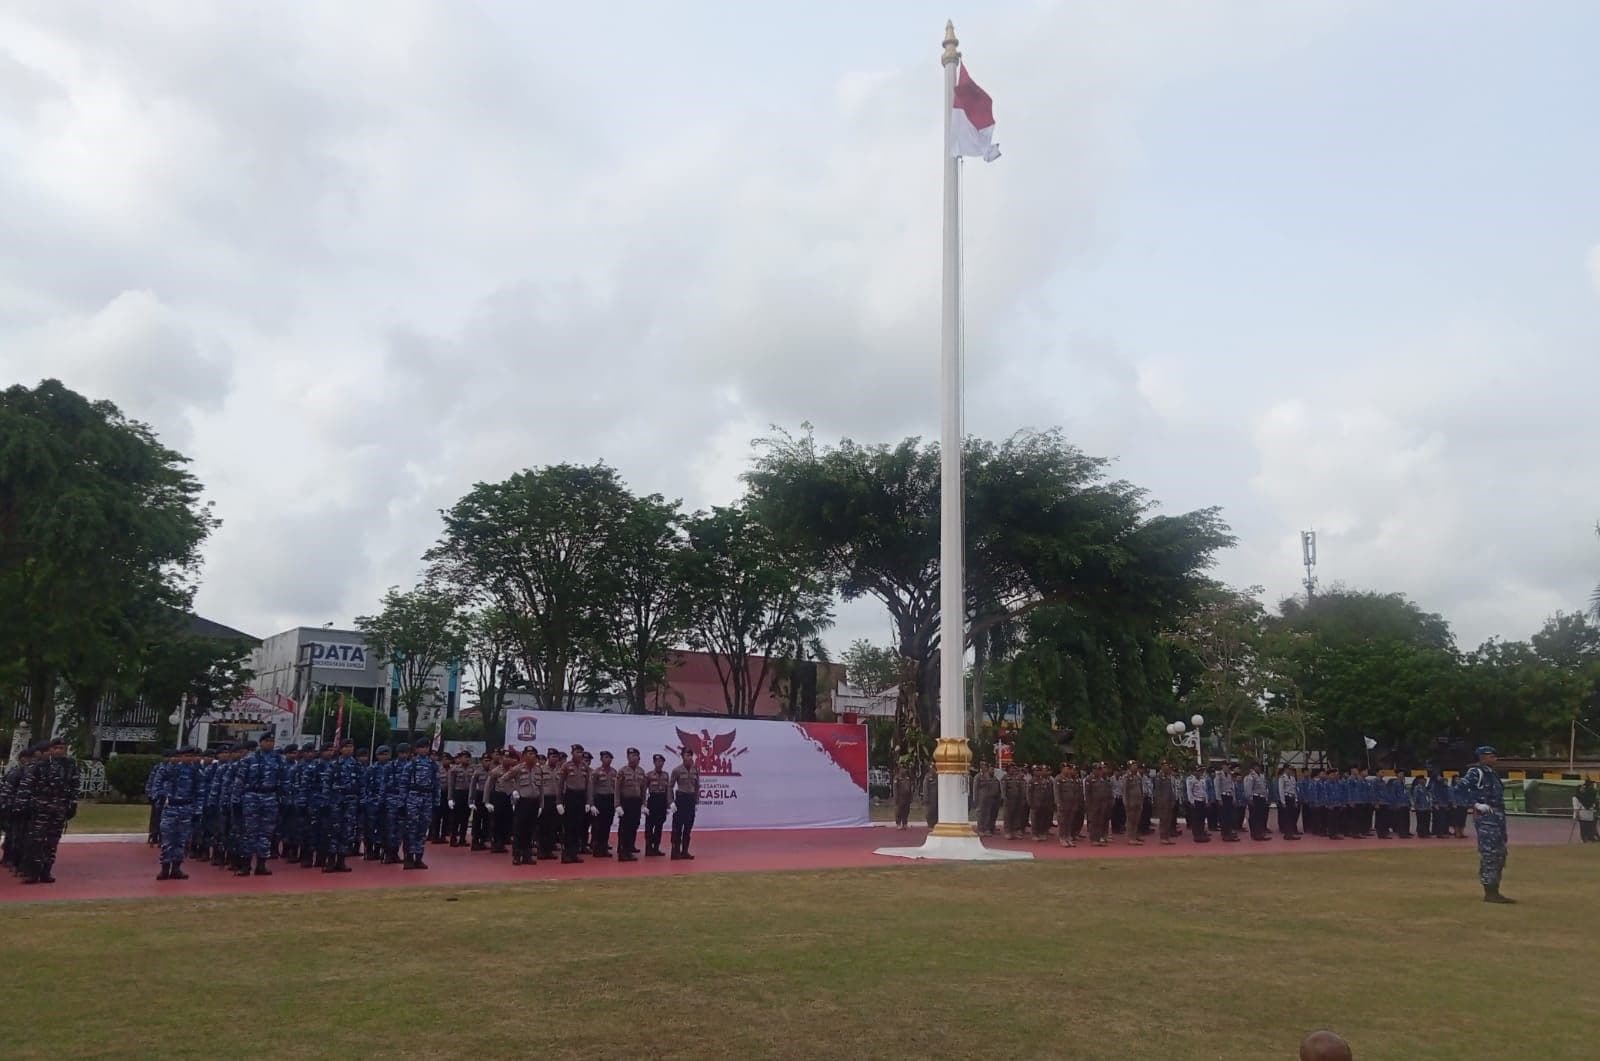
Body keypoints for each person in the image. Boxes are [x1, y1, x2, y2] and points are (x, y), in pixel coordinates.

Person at [18, 737, 79, 885]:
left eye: (62, 748)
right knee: (36, 840)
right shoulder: (40, 766)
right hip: (40, 809)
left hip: (59, 809)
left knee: (52, 842)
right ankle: (32, 873)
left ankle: (46, 871)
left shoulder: (70, 766)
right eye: (56, 748)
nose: (59, 751)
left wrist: (72, 805)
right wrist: (23, 805)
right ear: (51, 750)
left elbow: (75, 786)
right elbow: (28, 786)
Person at [1457, 745, 1513, 903]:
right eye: (1491, 755)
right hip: (1486, 816)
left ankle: (1495, 889)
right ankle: (1490, 891)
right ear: (1482, 757)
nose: (1494, 758)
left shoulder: (1492, 773)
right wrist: (1475, 804)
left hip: (1497, 816)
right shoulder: (1476, 772)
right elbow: (1459, 788)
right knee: (1490, 853)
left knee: (1500, 853)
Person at [156, 747, 204, 880]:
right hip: (171, 807)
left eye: (191, 756)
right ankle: (165, 868)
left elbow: (200, 792)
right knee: (167, 839)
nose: (189, 758)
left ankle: (176, 868)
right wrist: (159, 797)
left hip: (186, 807)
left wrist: (198, 810)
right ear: (181, 756)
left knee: (181, 840)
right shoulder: (171, 768)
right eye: (187, 755)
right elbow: (158, 782)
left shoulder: (196, 771)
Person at [322, 739, 360, 873]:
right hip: (336, 801)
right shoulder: (334, 765)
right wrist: (326, 802)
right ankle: (331, 861)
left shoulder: (357, 765)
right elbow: (326, 785)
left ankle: (341, 861)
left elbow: (361, 785)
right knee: (334, 831)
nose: (349, 749)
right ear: (341, 749)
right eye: (346, 747)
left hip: (351, 802)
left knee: (347, 831)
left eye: (351, 746)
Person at [401, 737, 439, 869]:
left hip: (427, 798)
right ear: (417, 749)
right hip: (413, 798)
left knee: (422, 830)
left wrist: (436, 801)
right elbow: (404, 784)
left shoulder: (433, 765)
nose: (424, 750)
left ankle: (419, 857)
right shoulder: (411, 764)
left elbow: (436, 784)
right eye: (421, 747)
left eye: (426, 747)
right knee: (411, 829)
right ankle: (408, 857)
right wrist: (403, 802)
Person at [509, 745, 543, 866]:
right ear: (523, 756)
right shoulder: (517, 769)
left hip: (534, 802)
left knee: (530, 831)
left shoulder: (539, 770)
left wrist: (541, 805)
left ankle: (527, 855)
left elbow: (541, 788)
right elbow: (503, 780)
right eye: (529, 754)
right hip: (522, 802)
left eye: (534, 754)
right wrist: (513, 792)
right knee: (519, 830)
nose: (532, 756)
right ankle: (517, 856)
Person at [559, 744, 593, 864]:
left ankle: (574, 853)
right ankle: (566, 854)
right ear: (572, 753)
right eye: (577, 752)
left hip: (581, 797)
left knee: (578, 827)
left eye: (581, 752)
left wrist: (589, 802)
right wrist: (559, 802)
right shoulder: (566, 766)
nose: (579, 755)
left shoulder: (585, 767)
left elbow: (589, 785)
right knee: (568, 827)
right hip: (570, 796)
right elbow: (560, 785)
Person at [616, 748, 648, 861]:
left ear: (638, 758)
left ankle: (629, 850)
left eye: (635, 755)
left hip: (636, 802)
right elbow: (617, 790)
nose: (633, 758)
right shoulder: (622, 771)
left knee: (634, 826)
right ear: (627, 757)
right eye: (630, 755)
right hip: (626, 802)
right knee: (625, 827)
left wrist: (644, 804)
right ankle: (622, 852)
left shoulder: (641, 771)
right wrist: (618, 805)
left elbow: (643, 789)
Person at [670, 747, 701, 859]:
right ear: (682, 756)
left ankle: (685, 851)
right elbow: (670, 786)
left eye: (690, 755)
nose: (688, 757)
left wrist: (696, 801)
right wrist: (671, 802)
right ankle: (675, 851)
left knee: (688, 827)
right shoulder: (677, 770)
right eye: (686, 755)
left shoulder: (695, 770)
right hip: (681, 799)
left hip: (690, 800)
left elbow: (697, 786)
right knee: (677, 827)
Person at [363, 745, 391, 860]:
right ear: (377, 755)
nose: (384, 756)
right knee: (370, 827)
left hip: (386, 802)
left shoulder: (391, 768)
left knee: (383, 827)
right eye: (381, 754)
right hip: (372, 801)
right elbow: (365, 786)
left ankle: (378, 850)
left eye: (386, 754)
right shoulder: (371, 769)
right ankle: (369, 850)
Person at [591, 750, 619, 858]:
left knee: (607, 825)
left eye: (609, 758)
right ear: (601, 759)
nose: (608, 759)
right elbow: (591, 788)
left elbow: (616, 789)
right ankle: (596, 849)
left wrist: (617, 803)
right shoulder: (596, 772)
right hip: (599, 800)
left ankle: (604, 848)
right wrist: (592, 803)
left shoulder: (614, 772)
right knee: (598, 825)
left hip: (610, 800)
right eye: (605, 757)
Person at [643, 753, 672, 857]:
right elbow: (644, 790)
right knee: (650, 826)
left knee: (659, 826)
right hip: (652, 801)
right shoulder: (649, 775)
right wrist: (644, 805)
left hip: (662, 802)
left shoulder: (666, 775)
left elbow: (668, 790)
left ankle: (656, 848)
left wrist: (668, 805)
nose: (659, 763)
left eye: (661, 762)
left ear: (663, 763)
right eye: (657, 762)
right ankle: (648, 848)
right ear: (654, 763)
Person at [1053, 763, 1083, 847]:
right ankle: (1062, 838)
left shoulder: (1071, 779)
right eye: (1066, 768)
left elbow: (1075, 792)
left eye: (1069, 769)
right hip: (1063, 804)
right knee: (1062, 822)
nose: (1068, 770)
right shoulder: (1058, 779)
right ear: (1062, 769)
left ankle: (1068, 837)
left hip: (1072, 804)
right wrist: (1058, 803)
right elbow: (1057, 793)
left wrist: (1076, 803)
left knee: (1069, 822)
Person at [446, 752, 472, 847]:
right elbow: (451, 785)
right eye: (464, 757)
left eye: (468, 757)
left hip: (468, 794)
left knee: (465, 817)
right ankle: (453, 839)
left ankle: (462, 838)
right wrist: (450, 798)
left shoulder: (472, 769)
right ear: (460, 759)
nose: (467, 759)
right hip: (458, 794)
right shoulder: (454, 769)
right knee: (456, 818)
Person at [1084, 763, 1113, 846]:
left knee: (1100, 821)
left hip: (1102, 804)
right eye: (1097, 769)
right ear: (1093, 770)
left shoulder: (1102, 780)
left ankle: (1098, 838)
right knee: (1094, 822)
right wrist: (1089, 806)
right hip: (1093, 804)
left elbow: (1105, 792)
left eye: (1100, 769)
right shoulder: (1089, 779)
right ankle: (1094, 839)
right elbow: (1087, 794)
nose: (1099, 771)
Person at [1153, 761, 1179, 844]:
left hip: (1169, 801)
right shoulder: (1158, 777)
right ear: (1161, 767)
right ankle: (1163, 837)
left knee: (1168, 820)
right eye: (1165, 766)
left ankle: (1167, 837)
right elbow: (1157, 791)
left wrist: (1173, 800)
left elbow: (1171, 790)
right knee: (1163, 820)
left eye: (1167, 766)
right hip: (1162, 802)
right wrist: (1159, 802)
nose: (1167, 768)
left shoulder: (1168, 776)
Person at [973, 760, 1001, 837]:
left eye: (985, 765)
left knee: (988, 814)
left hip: (990, 799)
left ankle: (987, 829)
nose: (983, 767)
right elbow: (975, 789)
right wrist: (975, 800)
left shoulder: (991, 776)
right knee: (981, 814)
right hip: (981, 798)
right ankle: (980, 829)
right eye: (982, 765)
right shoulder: (978, 776)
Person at [1183, 765, 1210, 843]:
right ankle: (1197, 835)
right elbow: (1189, 791)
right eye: (1197, 771)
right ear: (1194, 772)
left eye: (1200, 771)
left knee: (1202, 818)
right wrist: (1191, 802)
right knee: (1196, 819)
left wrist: (1207, 801)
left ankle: (1202, 833)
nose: (1199, 773)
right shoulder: (1190, 779)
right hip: (1196, 801)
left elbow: (1205, 791)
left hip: (1202, 800)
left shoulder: (1202, 779)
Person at [1121, 763, 1146, 845]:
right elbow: (1124, 791)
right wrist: (1126, 802)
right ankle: (1130, 837)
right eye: (1133, 766)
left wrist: (1141, 801)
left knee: (1136, 820)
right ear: (1129, 767)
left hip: (1138, 802)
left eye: (1136, 765)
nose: (1135, 767)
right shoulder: (1126, 777)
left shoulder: (1138, 777)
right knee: (1130, 820)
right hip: (1130, 802)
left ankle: (1135, 835)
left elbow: (1141, 790)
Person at [1001, 763, 1027, 840]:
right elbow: (1003, 789)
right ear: (1008, 769)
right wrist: (1004, 798)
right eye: (1011, 768)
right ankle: (1008, 831)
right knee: (1008, 816)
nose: (1013, 769)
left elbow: (1021, 789)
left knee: (1017, 815)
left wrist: (1023, 798)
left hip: (1017, 799)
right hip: (1009, 799)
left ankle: (1016, 830)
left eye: (1014, 768)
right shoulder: (1005, 778)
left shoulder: (1017, 778)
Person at [1245, 764, 1270, 841]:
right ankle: (1255, 833)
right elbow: (1248, 788)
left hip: (1262, 797)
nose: (1258, 768)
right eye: (1256, 767)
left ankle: (1260, 832)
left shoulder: (1262, 776)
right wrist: (1250, 798)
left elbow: (1264, 787)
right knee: (1254, 816)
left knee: (1261, 816)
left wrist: (1266, 797)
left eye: (1259, 767)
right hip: (1255, 797)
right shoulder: (1250, 777)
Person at [1275, 765, 1301, 839]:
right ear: (1285, 769)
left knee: (1292, 817)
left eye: (1291, 769)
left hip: (1292, 798)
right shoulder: (1282, 778)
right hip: (1286, 797)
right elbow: (1281, 790)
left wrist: (1296, 799)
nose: (1290, 771)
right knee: (1287, 817)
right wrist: (1283, 801)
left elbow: (1294, 790)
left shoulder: (1292, 778)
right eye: (1289, 769)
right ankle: (1287, 834)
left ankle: (1291, 833)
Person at [891, 763, 913, 830]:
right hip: (900, 797)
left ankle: (905, 824)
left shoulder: (907, 778)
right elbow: (895, 789)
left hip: (907, 798)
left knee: (906, 811)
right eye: (903, 769)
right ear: (900, 769)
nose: (904, 770)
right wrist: (896, 798)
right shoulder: (897, 778)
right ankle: (898, 824)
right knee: (899, 811)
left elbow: (910, 788)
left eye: (905, 769)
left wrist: (911, 797)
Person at [1410, 774, 1433, 840]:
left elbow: (1428, 797)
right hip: (1420, 807)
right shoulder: (1417, 788)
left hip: (1427, 806)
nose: (1424, 781)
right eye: (1422, 779)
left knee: (1427, 820)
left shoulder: (1425, 788)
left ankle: (1426, 832)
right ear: (1419, 780)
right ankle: (1421, 833)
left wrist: (1430, 805)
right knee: (1421, 821)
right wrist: (1415, 805)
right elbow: (1415, 797)